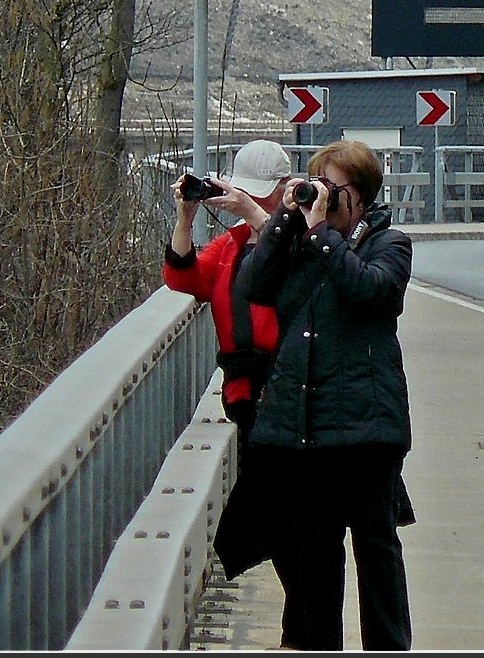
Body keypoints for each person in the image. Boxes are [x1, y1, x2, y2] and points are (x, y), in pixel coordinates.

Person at [235, 139, 414, 651]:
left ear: (358, 195)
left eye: (331, 189)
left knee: (377, 552)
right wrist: (283, 222)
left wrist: (321, 235)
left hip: (367, 427)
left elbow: (372, 292)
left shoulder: (390, 244)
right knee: (315, 559)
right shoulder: (298, 241)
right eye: (317, 185)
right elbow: (253, 286)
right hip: (306, 428)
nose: (322, 197)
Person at [161, 138, 310, 647]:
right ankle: (302, 623)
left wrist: (254, 212)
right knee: (272, 517)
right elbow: (183, 278)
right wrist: (185, 217)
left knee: (284, 518)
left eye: (262, 197)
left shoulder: (301, 239)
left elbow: (293, 258)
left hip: (289, 397)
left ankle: (304, 626)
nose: (254, 203)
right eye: (250, 196)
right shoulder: (227, 249)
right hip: (247, 398)